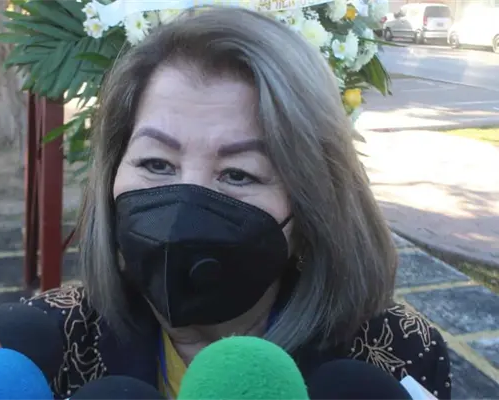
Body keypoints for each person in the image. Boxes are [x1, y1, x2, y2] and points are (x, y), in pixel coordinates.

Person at [23, 7, 451, 400]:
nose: (184, 210)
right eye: (156, 164)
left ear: (312, 203)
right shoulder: (40, 351)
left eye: (238, 174)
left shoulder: (397, 354)